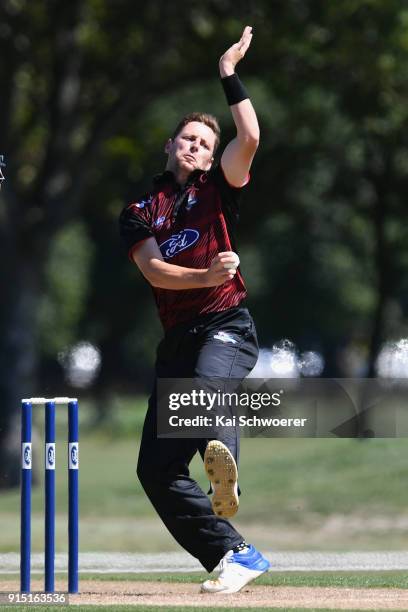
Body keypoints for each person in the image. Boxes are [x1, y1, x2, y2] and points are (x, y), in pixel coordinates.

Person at [119, 26, 270, 594]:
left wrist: (228, 72)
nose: (197, 147)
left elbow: (250, 136)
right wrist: (204, 273)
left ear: (213, 158)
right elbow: (154, 270)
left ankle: (225, 469)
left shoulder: (220, 188)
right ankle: (235, 555)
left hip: (227, 326)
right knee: (154, 470)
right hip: (177, 337)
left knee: (208, 390)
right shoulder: (141, 209)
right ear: (170, 146)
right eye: (188, 139)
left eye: (206, 143)